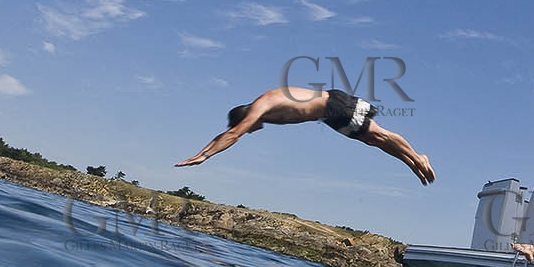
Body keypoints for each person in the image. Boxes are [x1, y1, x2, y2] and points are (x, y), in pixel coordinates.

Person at [175, 86, 435, 185]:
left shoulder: (261, 106)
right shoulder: (261, 112)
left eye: (248, 128)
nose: (251, 131)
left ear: (245, 119)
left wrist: (206, 156)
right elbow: (227, 133)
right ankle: (411, 162)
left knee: (377, 133)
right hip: (330, 116)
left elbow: (233, 134)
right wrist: (199, 154)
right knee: (373, 141)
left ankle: (416, 156)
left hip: (334, 104)